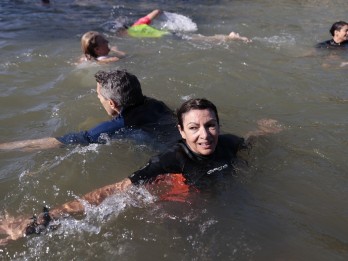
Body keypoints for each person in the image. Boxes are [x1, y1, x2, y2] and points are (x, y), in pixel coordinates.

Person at [0, 98, 282, 244]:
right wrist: (47, 216)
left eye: (210, 125)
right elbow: (115, 189)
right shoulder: (169, 160)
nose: (205, 135)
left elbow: (249, 142)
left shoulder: (229, 143)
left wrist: (265, 131)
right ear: (182, 132)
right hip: (185, 208)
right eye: (194, 128)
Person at [0, 70, 177, 151]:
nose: (98, 99)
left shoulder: (119, 126)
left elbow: (68, 140)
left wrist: (9, 146)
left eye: (99, 96)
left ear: (113, 103)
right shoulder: (157, 104)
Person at [117, 9, 251, 42]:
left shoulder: (133, 34)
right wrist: (165, 14)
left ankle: (230, 37)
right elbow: (157, 11)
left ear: (125, 31)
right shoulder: (138, 24)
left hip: (167, 37)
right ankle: (228, 36)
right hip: (168, 34)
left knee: (202, 40)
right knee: (201, 37)